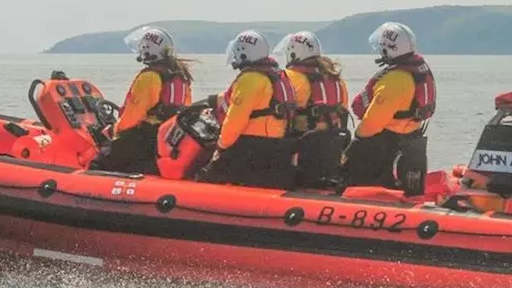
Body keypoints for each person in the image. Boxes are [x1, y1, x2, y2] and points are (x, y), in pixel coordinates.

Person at [343, 21, 436, 195]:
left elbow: (372, 124)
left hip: (386, 146)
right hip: (410, 140)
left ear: (389, 48)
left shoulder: (394, 80)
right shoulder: (415, 72)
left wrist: (352, 148)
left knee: (352, 167)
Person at [198, 30, 297, 189]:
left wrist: (220, 148)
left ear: (243, 54)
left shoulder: (250, 79)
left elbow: (234, 121)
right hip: (279, 149)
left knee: (203, 176)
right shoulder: (280, 76)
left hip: (251, 150)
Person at [88, 26, 193, 175]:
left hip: (145, 136)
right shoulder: (180, 76)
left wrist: (113, 130)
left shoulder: (149, 77)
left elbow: (133, 116)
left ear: (147, 49)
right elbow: (185, 107)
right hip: (167, 137)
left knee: (98, 163)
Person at [275, 30, 351, 189]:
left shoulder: (291, 77)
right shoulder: (337, 80)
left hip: (304, 150)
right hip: (332, 151)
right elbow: (344, 110)